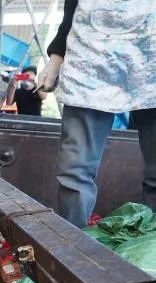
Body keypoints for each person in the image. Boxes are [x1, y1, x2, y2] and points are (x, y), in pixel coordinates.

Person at [38, 0, 156, 227]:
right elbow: (72, 5)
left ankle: (151, 246)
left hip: (150, 51)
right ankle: (73, 244)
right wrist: (56, 57)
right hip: (89, 56)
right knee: (75, 170)